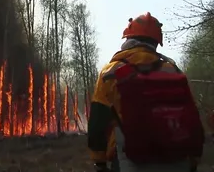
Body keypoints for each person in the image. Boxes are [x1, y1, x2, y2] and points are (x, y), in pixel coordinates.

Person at [87, 12, 205, 172]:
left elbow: (98, 120)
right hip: (177, 161)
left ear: (128, 39)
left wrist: (99, 162)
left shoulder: (111, 72)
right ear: (156, 43)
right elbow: (192, 119)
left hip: (129, 163)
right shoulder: (173, 71)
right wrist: (194, 158)